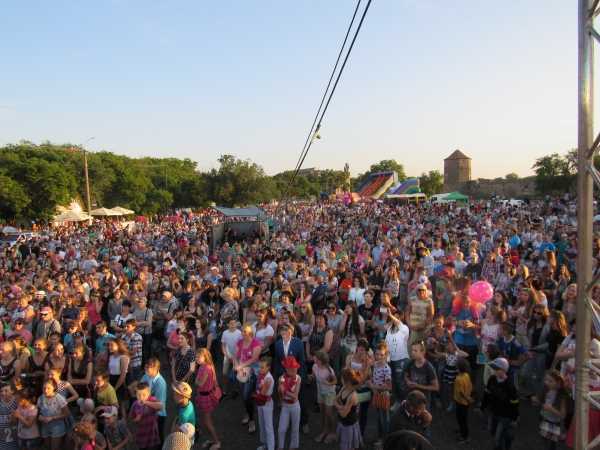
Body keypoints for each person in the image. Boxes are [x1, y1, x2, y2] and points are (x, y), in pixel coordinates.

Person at [482, 357, 520, 450]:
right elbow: (487, 393)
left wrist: (514, 418)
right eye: (493, 368)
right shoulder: (492, 379)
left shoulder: (510, 385)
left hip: (505, 416)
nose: (493, 370)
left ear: (504, 370)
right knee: (492, 431)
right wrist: (483, 406)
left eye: (496, 368)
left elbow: (514, 403)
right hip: (493, 412)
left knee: (498, 437)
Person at [235, 324, 262, 434]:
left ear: (251, 333)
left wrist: (241, 366)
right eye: (242, 331)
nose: (243, 333)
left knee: (247, 395)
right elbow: (236, 356)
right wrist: (236, 365)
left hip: (252, 373)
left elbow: (254, 359)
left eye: (245, 331)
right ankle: (248, 412)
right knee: (243, 395)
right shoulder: (240, 342)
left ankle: (251, 420)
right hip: (241, 373)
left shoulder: (256, 343)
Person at [194, 348, 221, 450]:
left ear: (205, 357)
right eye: (196, 357)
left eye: (199, 357)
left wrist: (196, 380)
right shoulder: (205, 366)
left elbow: (200, 383)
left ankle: (217, 442)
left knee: (207, 422)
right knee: (206, 420)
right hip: (204, 395)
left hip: (205, 396)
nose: (196, 358)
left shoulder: (206, 368)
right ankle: (212, 439)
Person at [533, 370, 568, 450]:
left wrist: (551, 409)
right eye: (546, 380)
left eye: (550, 381)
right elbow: (540, 402)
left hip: (554, 422)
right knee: (544, 440)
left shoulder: (562, 395)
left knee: (551, 444)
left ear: (558, 383)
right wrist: (536, 401)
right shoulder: (546, 390)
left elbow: (563, 415)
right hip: (543, 418)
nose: (547, 382)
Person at [370, 343, 392, 449]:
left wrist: (373, 386)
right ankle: (380, 439)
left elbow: (389, 387)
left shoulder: (386, 369)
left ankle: (386, 440)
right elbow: (374, 378)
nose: (379, 357)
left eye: (381, 355)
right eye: (377, 354)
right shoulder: (375, 365)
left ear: (386, 355)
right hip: (377, 395)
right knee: (379, 418)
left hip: (383, 396)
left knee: (384, 420)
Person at [404, 342, 439, 408]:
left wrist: (418, 386)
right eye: (412, 350)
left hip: (423, 401)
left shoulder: (428, 367)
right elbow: (406, 375)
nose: (412, 352)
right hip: (412, 398)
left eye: (415, 351)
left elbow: (436, 387)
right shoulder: (410, 363)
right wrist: (408, 381)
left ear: (423, 352)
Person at [277, 355, 301, 450]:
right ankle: (280, 447)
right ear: (287, 369)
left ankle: (293, 447)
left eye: (295, 368)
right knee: (281, 429)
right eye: (292, 368)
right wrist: (280, 392)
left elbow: (295, 397)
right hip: (285, 406)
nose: (295, 370)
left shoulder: (298, 378)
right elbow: (280, 395)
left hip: (295, 406)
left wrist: (285, 391)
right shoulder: (281, 378)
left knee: (295, 428)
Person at [37, 379, 69, 450]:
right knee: (47, 447)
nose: (46, 390)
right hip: (45, 427)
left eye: (48, 388)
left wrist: (52, 418)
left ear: (53, 388)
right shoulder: (40, 398)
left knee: (54, 448)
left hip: (57, 427)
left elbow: (67, 413)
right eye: (44, 388)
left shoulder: (59, 398)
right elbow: (37, 413)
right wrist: (39, 417)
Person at [129, 382, 162, 450]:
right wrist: (136, 419)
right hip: (141, 436)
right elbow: (130, 418)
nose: (141, 397)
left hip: (152, 435)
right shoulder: (135, 404)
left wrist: (146, 402)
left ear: (149, 393)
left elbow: (160, 406)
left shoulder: (152, 400)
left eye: (144, 395)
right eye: (138, 395)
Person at [312, 351, 336, 444]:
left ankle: (333, 432)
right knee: (322, 413)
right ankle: (324, 431)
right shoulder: (314, 367)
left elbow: (335, 381)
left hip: (329, 393)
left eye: (316, 358)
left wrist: (328, 383)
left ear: (321, 361)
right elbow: (314, 376)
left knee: (329, 414)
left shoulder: (329, 370)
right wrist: (310, 377)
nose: (314, 359)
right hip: (320, 392)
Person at [335, 368, 362, 450]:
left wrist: (338, 406)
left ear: (347, 381)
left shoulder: (352, 396)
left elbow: (344, 414)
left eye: (342, 378)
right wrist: (341, 407)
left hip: (349, 424)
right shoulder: (344, 387)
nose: (340, 379)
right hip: (343, 422)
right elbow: (335, 399)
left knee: (348, 446)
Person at [255, 357, 275, 450]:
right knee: (262, 424)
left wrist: (254, 395)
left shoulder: (268, 378)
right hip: (260, 403)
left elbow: (262, 393)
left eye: (262, 367)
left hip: (266, 403)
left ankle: (271, 447)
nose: (260, 369)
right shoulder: (261, 375)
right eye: (259, 367)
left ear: (268, 367)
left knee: (268, 427)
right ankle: (264, 444)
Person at [453, 358, 473, 444]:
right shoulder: (467, 375)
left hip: (461, 402)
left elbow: (461, 392)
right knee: (463, 418)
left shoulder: (458, 379)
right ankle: (462, 430)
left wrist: (467, 399)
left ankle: (465, 437)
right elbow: (470, 386)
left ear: (458, 368)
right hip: (466, 402)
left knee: (461, 419)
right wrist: (469, 398)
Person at [221, 318, 242, 397]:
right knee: (224, 373)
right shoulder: (225, 333)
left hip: (237, 356)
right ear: (228, 325)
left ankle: (236, 389)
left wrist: (235, 358)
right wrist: (227, 355)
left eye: (234, 323)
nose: (233, 325)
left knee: (236, 373)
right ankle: (224, 389)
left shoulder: (239, 333)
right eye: (231, 323)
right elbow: (223, 346)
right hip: (227, 355)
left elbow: (241, 345)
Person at [0, 383, 17, 450]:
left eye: (6, 391)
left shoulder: (17, 402)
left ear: (12, 391)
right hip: (2, 442)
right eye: (1, 391)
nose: (3, 393)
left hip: (15, 440)